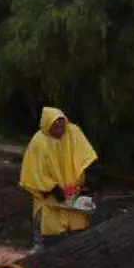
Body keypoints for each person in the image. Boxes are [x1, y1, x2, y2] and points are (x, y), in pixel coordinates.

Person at [19, 107, 99, 251]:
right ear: (47, 126)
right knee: (48, 230)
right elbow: (34, 171)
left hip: (74, 193)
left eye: (62, 126)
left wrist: (89, 181)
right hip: (49, 196)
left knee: (77, 230)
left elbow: (86, 157)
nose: (60, 130)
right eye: (55, 127)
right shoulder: (39, 142)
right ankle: (41, 251)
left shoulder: (73, 132)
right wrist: (52, 188)